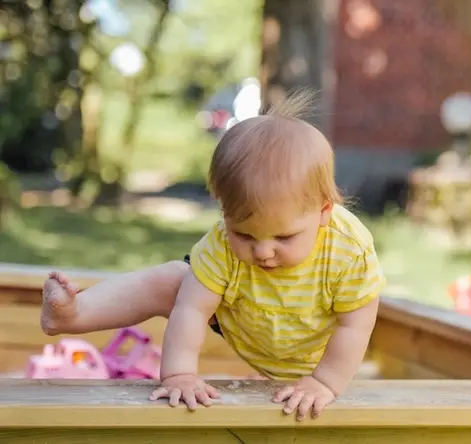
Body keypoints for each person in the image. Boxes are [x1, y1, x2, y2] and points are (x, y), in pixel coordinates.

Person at [39, 89, 386, 421]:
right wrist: (178, 375)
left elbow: (355, 324)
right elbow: (191, 309)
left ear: (324, 212)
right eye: (244, 234)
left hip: (314, 348)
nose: (263, 251)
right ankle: (74, 314)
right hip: (245, 317)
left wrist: (325, 382)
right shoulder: (220, 244)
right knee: (175, 281)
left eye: (284, 236)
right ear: (223, 213)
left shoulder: (348, 250)